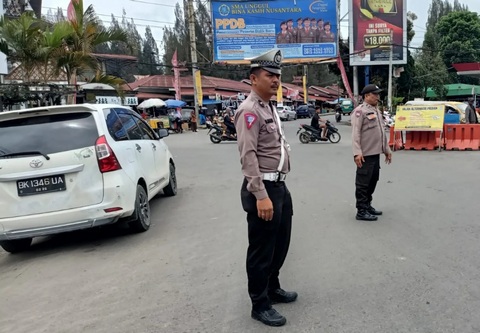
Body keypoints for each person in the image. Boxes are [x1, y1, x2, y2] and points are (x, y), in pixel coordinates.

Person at [234, 49, 296, 327]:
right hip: (263, 189)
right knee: (261, 249)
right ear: (253, 78)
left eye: (278, 76)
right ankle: (259, 304)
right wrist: (260, 195)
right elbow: (248, 156)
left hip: (279, 186)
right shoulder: (248, 110)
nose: (275, 80)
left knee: (280, 244)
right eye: (270, 75)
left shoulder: (268, 106)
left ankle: (273, 287)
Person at [351, 84, 392, 221]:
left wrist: (386, 149)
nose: (377, 97)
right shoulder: (360, 111)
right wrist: (357, 152)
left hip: (375, 153)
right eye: (375, 94)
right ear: (367, 96)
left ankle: (367, 205)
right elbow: (355, 133)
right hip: (365, 154)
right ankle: (361, 210)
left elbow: (381, 133)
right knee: (363, 183)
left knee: (373, 180)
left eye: (378, 94)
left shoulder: (377, 111)